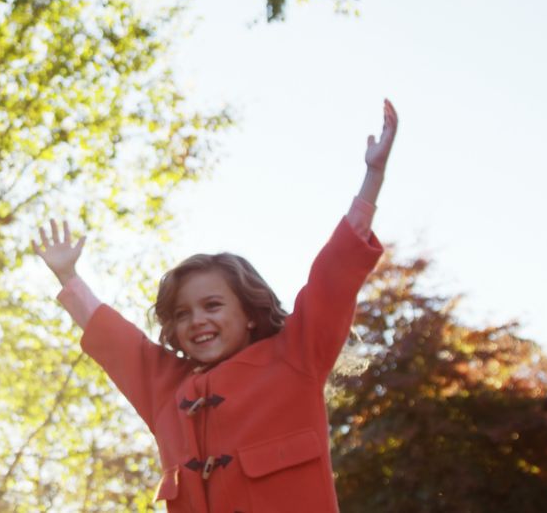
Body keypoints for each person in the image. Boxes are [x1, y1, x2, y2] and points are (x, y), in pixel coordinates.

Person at [32, 100, 399, 512]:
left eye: (212, 305)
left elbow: (334, 277)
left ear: (248, 313)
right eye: (182, 313)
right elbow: (118, 343)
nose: (197, 321)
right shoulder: (166, 389)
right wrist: (69, 277)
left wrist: (373, 176)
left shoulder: (295, 356)